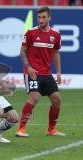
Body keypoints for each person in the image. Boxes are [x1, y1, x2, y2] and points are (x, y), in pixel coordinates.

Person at [16, 6, 65, 137]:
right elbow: (22, 52)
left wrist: (58, 72)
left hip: (46, 73)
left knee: (57, 99)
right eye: (39, 17)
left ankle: (51, 129)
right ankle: (20, 129)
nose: (41, 20)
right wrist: (29, 67)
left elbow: (55, 53)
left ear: (49, 17)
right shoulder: (30, 33)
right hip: (31, 72)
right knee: (34, 97)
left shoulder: (56, 35)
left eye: (43, 17)